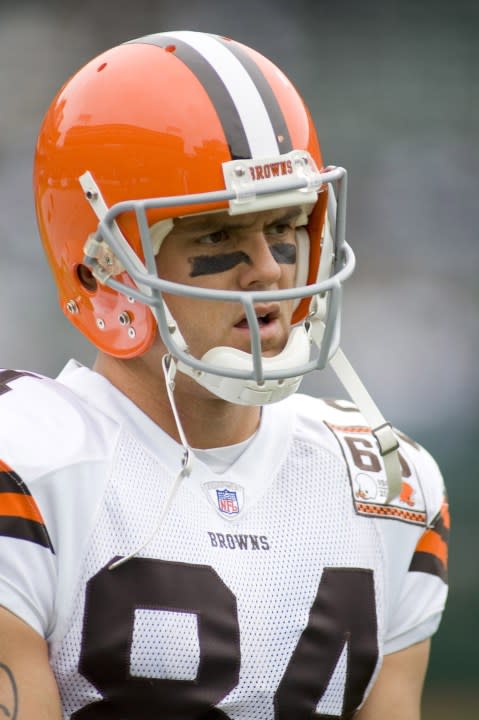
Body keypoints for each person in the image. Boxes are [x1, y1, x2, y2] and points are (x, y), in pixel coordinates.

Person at [0, 30, 449, 719]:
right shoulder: (28, 465)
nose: (269, 267)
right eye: (215, 234)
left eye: (286, 223)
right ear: (104, 267)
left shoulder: (385, 484)